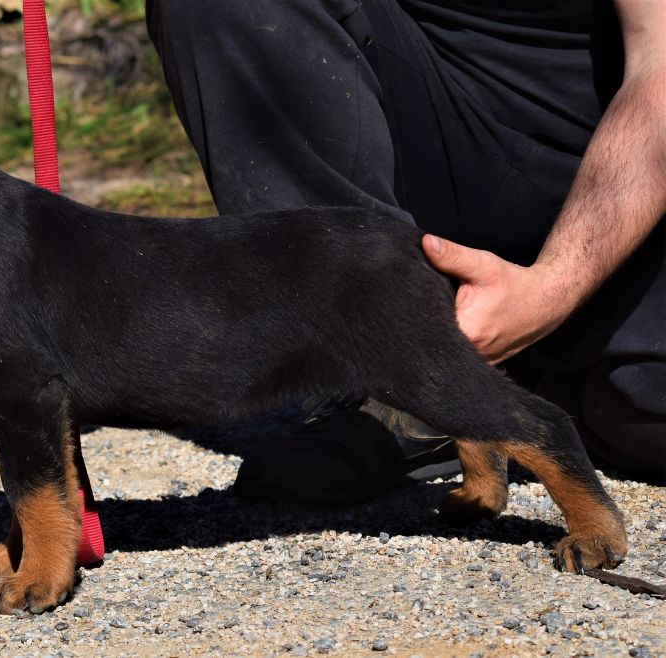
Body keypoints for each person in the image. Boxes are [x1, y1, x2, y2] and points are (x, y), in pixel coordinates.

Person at [145, 0, 666, 500]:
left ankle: (500, 380)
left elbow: (659, 68)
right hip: (436, 127)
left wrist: (552, 289)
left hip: (624, 174)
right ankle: (386, 388)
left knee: (644, 409)